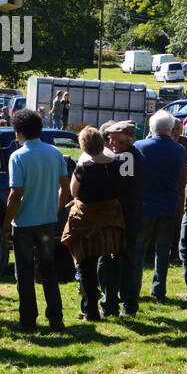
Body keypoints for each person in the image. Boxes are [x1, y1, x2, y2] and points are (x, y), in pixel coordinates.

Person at [3, 109, 70, 332]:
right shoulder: (54, 152)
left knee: (24, 272)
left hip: (23, 224)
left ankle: (28, 320)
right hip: (47, 221)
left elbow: (15, 195)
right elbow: (66, 187)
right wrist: (56, 208)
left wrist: (5, 226)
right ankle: (56, 318)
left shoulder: (18, 156)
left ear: (19, 131)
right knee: (48, 269)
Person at [60, 126, 124, 322]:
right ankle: (106, 304)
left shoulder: (83, 168)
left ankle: (91, 311)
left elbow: (74, 192)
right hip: (110, 220)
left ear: (83, 146)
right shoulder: (116, 164)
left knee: (85, 267)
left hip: (87, 222)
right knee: (103, 265)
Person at [133, 111, 187, 304]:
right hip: (168, 205)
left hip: (144, 205)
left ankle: (134, 288)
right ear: (170, 129)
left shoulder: (138, 146)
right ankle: (159, 290)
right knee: (162, 251)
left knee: (138, 250)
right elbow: (182, 180)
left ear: (152, 128)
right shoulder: (179, 150)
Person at [101, 119, 145, 317]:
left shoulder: (125, 159)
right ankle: (128, 305)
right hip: (132, 219)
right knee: (127, 262)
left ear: (124, 141)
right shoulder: (135, 156)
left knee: (110, 263)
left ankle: (111, 304)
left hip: (119, 220)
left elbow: (120, 189)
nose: (110, 143)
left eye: (113, 140)